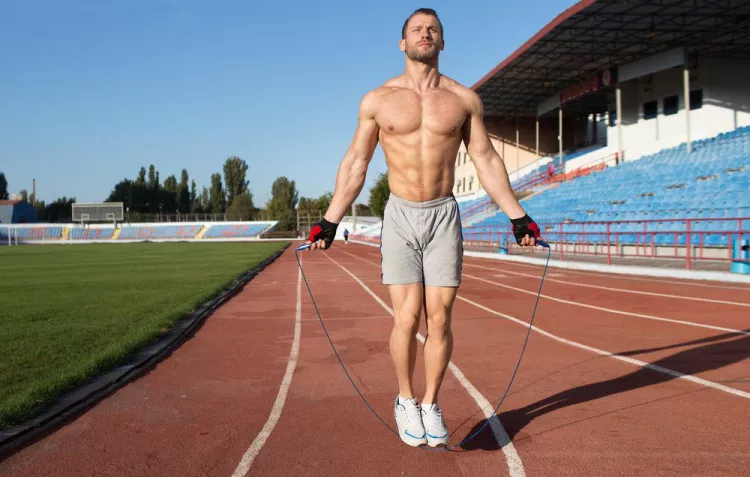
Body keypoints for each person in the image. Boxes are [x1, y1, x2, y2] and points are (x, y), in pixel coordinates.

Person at [305, 7, 542, 448]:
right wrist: (329, 220)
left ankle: (431, 402)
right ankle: (405, 398)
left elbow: (486, 159)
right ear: (403, 43)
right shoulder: (377, 100)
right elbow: (357, 163)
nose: (424, 33)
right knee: (407, 315)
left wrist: (517, 216)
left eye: (432, 28)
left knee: (441, 317)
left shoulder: (463, 100)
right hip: (400, 215)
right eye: (416, 29)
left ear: (443, 42)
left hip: (443, 215)